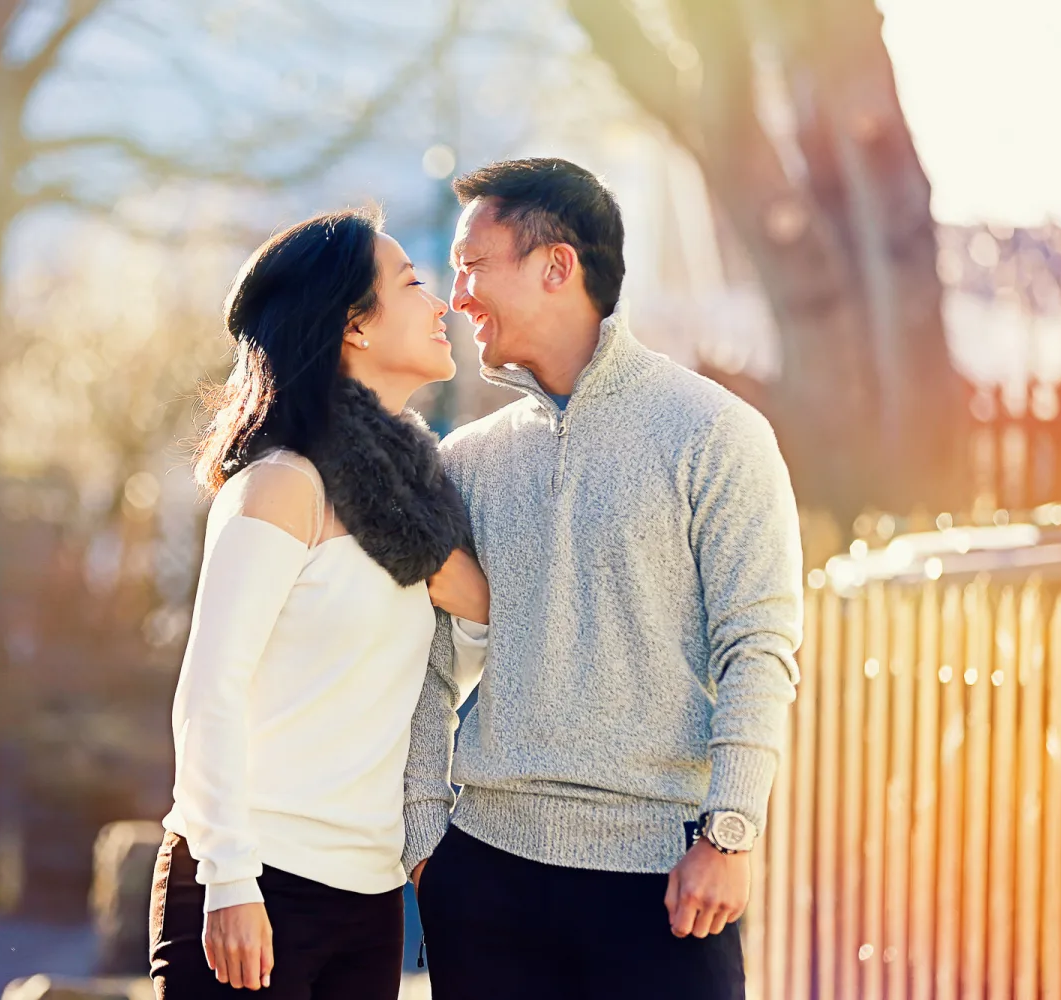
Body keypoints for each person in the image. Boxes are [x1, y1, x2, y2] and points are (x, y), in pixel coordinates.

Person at [403, 158, 804, 999]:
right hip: (485, 878)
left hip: (664, 881)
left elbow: (758, 645)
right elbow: (428, 660)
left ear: (557, 266)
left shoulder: (716, 434)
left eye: (473, 266)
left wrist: (729, 833)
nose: (457, 296)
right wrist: (422, 834)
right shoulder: (465, 460)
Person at [150, 209, 490, 999]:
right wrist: (230, 879)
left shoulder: (418, 506)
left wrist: (459, 587)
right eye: (411, 283)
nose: (439, 303)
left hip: (368, 895)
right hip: (255, 875)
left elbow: (446, 670)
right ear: (353, 326)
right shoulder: (282, 486)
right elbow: (209, 693)